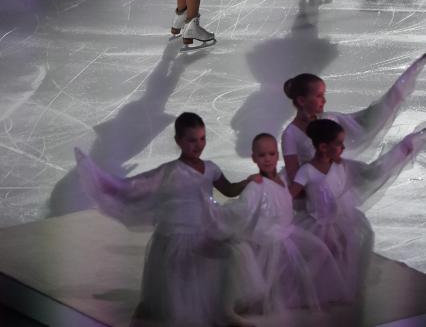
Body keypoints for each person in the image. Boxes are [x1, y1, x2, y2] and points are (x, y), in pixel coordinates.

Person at [75, 112, 263, 326]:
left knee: (234, 252)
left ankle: (224, 310)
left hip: (204, 232)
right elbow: (137, 186)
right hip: (177, 238)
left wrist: (247, 182)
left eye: (202, 138)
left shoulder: (210, 168)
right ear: (178, 141)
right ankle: (179, 311)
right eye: (192, 140)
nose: (198, 145)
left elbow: (228, 189)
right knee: (178, 296)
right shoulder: (170, 172)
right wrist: (106, 185)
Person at [206, 133, 349, 314]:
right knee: (270, 280)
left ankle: (294, 293)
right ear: (254, 158)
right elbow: (241, 209)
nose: (267, 159)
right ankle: (277, 297)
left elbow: (286, 200)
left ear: (277, 155)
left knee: (319, 251)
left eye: (271, 154)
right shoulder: (256, 185)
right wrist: (213, 212)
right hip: (270, 238)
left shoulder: (282, 179)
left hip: (287, 232)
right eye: (262, 155)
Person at [291, 119, 426, 299]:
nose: (343, 148)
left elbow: (373, 173)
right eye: (339, 144)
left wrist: (401, 151)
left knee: (345, 248)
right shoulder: (307, 171)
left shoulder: (341, 165)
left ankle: (334, 287)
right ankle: (305, 289)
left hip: (340, 218)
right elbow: (289, 194)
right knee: (321, 255)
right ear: (323, 147)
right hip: (318, 222)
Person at [281, 53, 426, 183]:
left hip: (337, 180)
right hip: (317, 189)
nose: (324, 100)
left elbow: (366, 122)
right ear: (301, 100)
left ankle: (417, 139)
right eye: (319, 96)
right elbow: (294, 175)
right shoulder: (290, 134)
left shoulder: (329, 119)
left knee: (377, 170)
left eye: (323, 95)